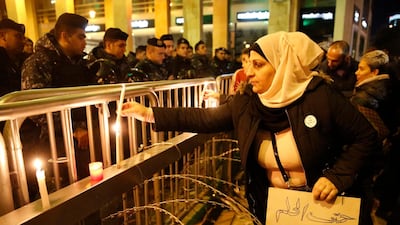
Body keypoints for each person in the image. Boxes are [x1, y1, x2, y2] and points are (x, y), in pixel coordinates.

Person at [120, 31, 379, 225]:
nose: (248, 72)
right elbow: (205, 119)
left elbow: (366, 138)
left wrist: (336, 177)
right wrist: (150, 113)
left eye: (258, 65)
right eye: (248, 64)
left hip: (322, 208)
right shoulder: (248, 102)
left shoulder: (321, 97)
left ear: (282, 65)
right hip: (275, 207)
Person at [21, 13, 94, 197]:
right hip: (51, 144)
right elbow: (35, 106)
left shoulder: (77, 63)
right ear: (64, 35)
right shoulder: (38, 62)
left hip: (78, 141)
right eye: (80, 36)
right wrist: (73, 127)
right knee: (60, 198)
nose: (84, 41)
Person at [351, 50, 400, 224]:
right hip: (387, 153)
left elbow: (362, 135)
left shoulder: (364, 97)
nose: (356, 72)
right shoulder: (391, 87)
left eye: (361, 68)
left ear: (374, 72)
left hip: (372, 157)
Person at [0, 18, 26, 97]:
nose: (23, 42)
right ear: (3, 36)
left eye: (23, 38)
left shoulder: (21, 60)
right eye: (18, 36)